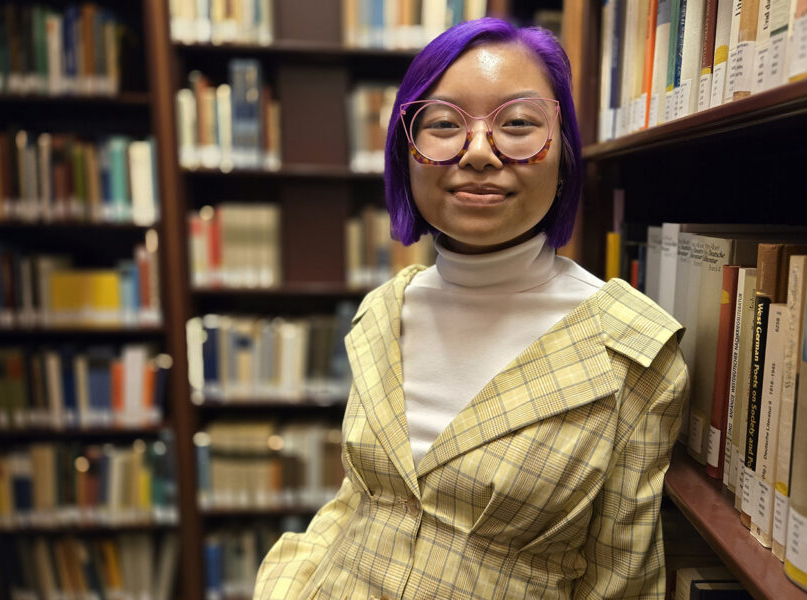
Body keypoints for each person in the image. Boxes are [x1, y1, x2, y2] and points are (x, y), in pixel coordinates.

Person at [254, 17, 687, 600]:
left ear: (563, 156)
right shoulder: (384, 310)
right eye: (442, 124)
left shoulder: (632, 352)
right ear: (405, 154)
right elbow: (357, 500)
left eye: (516, 124)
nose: (479, 152)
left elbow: (622, 582)